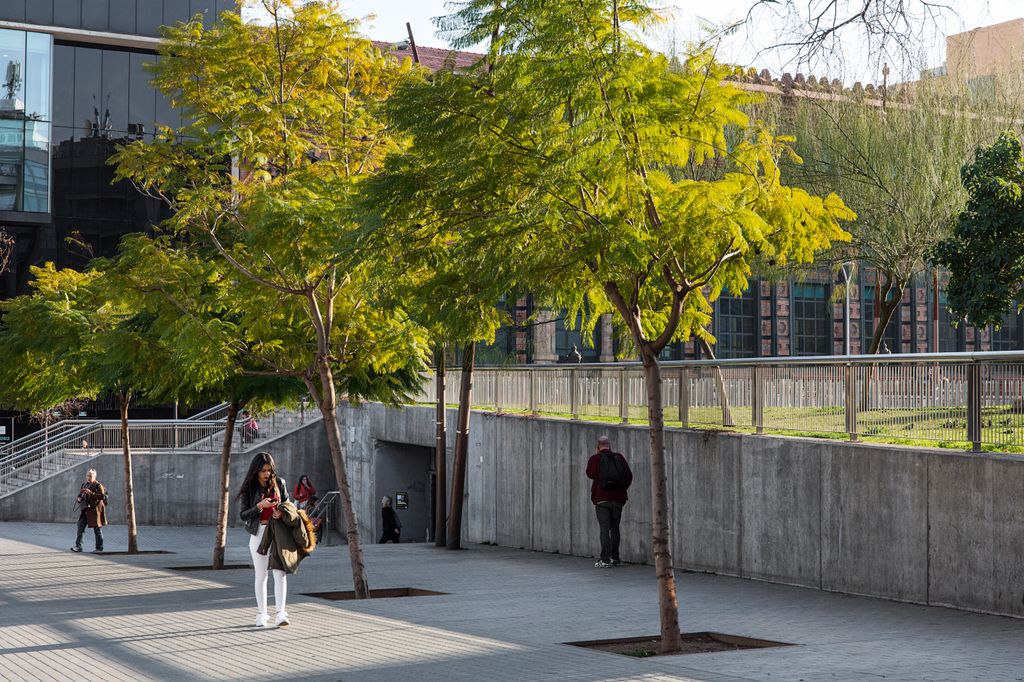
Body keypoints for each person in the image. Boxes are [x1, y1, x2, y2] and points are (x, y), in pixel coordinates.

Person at [238, 452, 291, 627]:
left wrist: (280, 512)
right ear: (256, 470)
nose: (267, 474)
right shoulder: (250, 487)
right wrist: (260, 506)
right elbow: (243, 514)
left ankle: (281, 613)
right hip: (258, 532)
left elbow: (288, 505)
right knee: (261, 576)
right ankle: (262, 613)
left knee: (280, 573)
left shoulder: (279, 483)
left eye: (269, 470)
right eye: (263, 471)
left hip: (277, 532)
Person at [585, 435, 632, 568]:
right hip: (618, 498)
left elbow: (589, 474)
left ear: (598, 447)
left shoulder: (595, 458)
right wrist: (621, 489)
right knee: (615, 528)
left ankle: (605, 559)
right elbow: (629, 476)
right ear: (609, 445)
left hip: (601, 499)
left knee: (604, 529)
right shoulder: (619, 457)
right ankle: (615, 557)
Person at [71, 469, 107, 553]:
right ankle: (78, 546)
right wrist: (79, 498)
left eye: (90, 476)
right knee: (80, 527)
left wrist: (91, 493)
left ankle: (99, 548)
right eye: (87, 475)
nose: (88, 477)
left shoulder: (98, 485)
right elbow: (80, 494)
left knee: (97, 530)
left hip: (95, 511)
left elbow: (102, 496)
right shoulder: (84, 484)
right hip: (85, 510)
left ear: (94, 476)